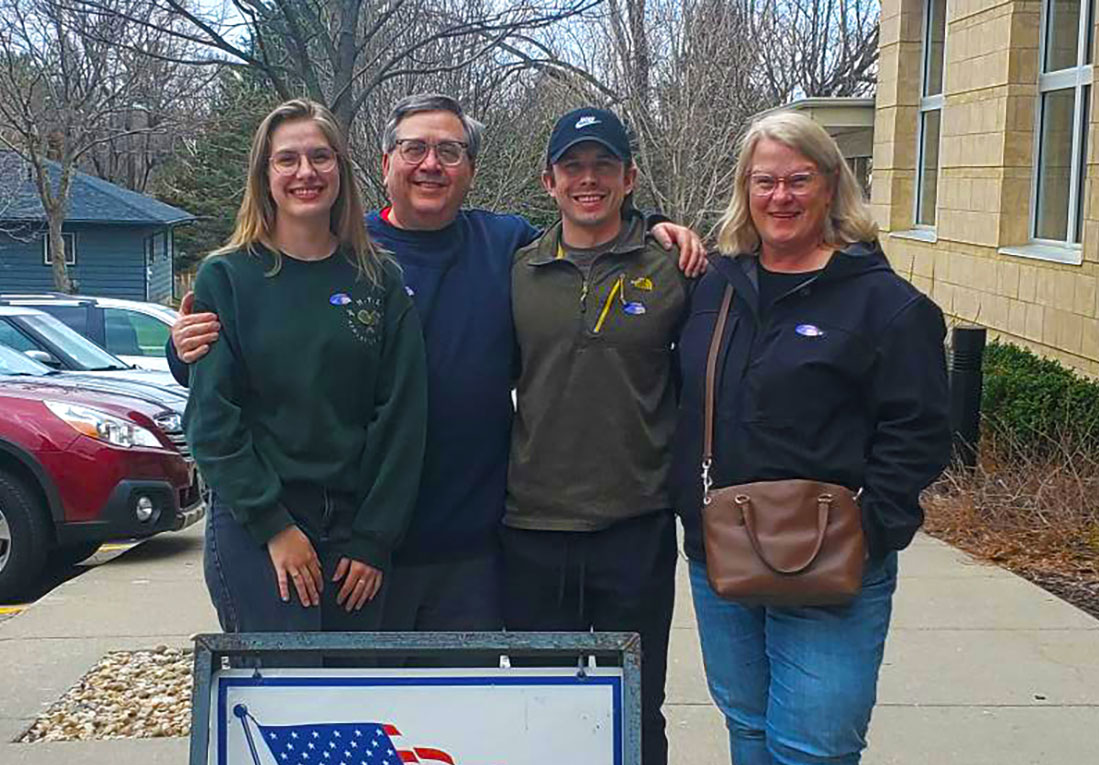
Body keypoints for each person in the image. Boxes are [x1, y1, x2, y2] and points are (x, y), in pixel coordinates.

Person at [170, 92, 706, 634]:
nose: (431, 164)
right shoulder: (348, 254)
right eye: (414, 149)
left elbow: (587, 226)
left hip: (471, 543)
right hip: (362, 540)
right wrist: (184, 346)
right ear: (385, 165)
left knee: (464, 710)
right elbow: (244, 353)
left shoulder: (506, 245)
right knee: (347, 703)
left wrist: (652, 226)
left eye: (450, 151)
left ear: (471, 169)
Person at [669, 111, 950, 765]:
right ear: (743, 192)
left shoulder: (885, 302)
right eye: (764, 180)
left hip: (835, 559)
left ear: (832, 185)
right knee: (753, 732)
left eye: (798, 178)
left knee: (816, 740)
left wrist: (879, 527)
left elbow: (918, 429)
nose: (780, 195)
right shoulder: (713, 285)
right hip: (723, 550)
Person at [502, 108, 691, 765]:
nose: (588, 179)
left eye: (603, 165)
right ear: (549, 181)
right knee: (539, 704)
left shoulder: (676, 269)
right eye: (571, 165)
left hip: (635, 526)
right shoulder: (515, 272)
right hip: (529, 527)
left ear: (628, 178)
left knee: (632, 705)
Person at [183, 98, 426, 640]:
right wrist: (274, 526)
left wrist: (375, 538)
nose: (306, 173)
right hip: (258, 522)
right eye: (287, 159)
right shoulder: (227, 277)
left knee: (357, 703)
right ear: (264, 175)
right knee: (280, 694)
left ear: (340, 167)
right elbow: (212, 420)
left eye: (321, 157)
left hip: (354, 527)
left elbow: (402, 417)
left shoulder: (378, 279)